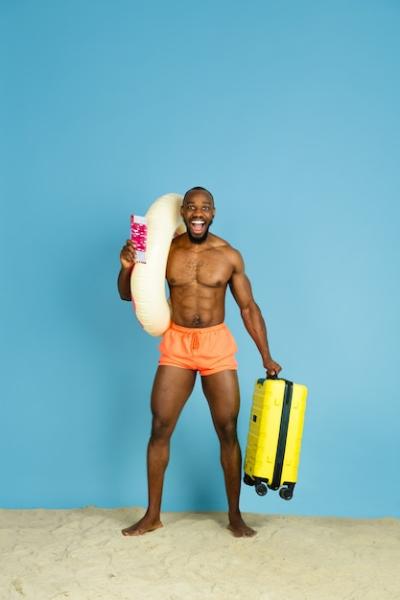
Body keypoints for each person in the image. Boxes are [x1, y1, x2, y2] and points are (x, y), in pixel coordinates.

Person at [117, 187, 282, 537]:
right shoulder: (165, 252)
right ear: (182, 212)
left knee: (226, 430)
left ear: (213, 213)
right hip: (176, 344)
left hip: (216, 345)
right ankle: (152, 515)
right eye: (190, 207)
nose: (197, 213)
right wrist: (126, 266)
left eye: (204, 208)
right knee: (160, 427)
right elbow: (125, 292)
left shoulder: (229, 255)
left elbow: (248, 308)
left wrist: (266, 355)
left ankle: (235, 516)